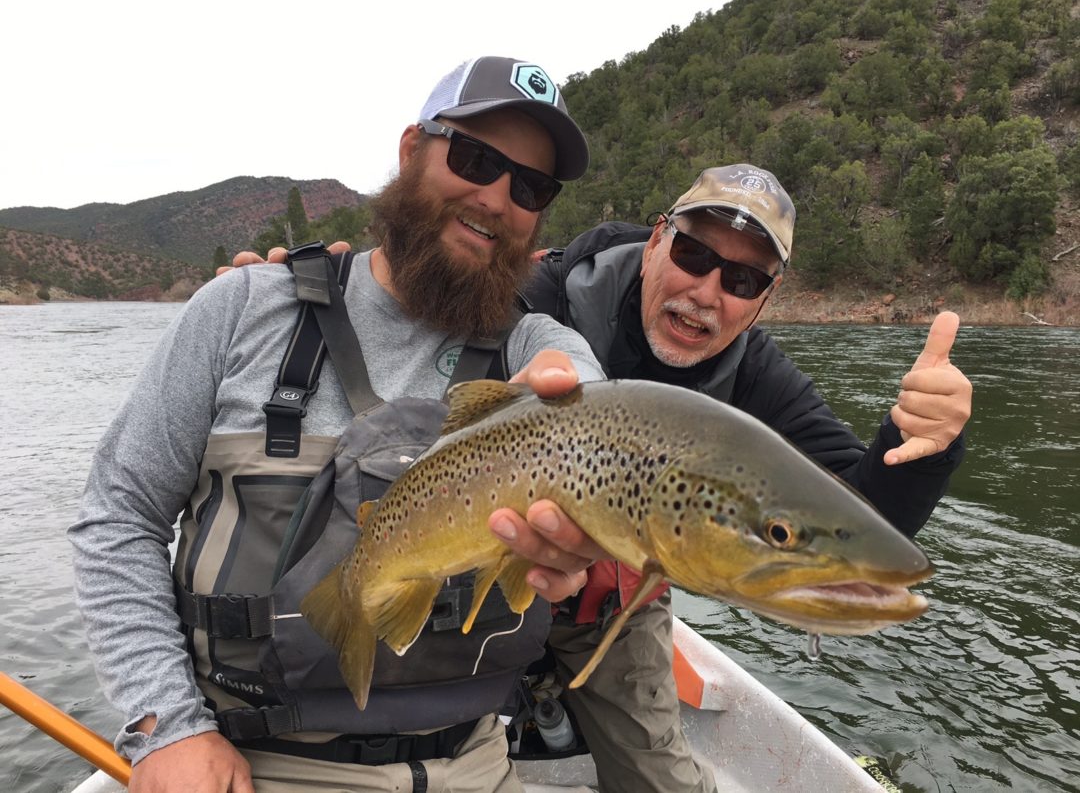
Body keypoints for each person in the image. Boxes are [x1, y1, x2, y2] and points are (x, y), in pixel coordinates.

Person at [240, 164, 972, 793]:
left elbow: (859, 518)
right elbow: (406, 300)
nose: (707, 291)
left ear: (763, 301)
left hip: (612, 602)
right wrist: (297, 293)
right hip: (481, 568)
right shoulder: (542, 292)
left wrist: (923, 444)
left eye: (743, 277)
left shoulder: (758, 374)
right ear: (656, 241)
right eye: (693, 253)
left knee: (661, 775)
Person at [68, 55, 611, 793]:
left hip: (482, 765)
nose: (496, 198)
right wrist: (166, 726)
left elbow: (582, 386)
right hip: (261, 765)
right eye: (476, 158)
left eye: (531, 187)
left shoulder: (533, 346)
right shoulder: (240, 311)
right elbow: (118, 515)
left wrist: (588, 421)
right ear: (411, 149)